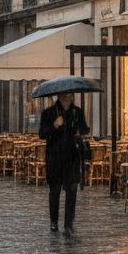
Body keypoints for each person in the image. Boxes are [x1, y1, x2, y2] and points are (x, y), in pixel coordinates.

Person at [39, 92, 90, 236]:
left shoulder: (77, 112)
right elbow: (42, 134)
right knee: (54, 191)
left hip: (72, 158)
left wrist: (83, 131)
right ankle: (54, 221)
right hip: (55, 158)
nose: (71, 98)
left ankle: (69, 223)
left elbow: (84, 129)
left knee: (72, 191)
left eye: (72, 96)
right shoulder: (48, 113)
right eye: (68, 96)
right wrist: (54, 126)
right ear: (60, 97)